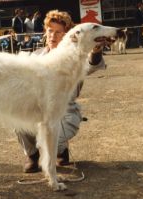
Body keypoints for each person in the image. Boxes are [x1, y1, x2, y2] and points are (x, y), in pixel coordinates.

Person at [16, 10, 106, 173]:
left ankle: (61, 149)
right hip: (36, 109)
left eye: (59, 32)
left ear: (67, 36)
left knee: (54, 136)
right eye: (50, 31)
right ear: (45, 32)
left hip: (65, 112)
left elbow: (92, 64)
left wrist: (96, 51)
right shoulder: (35, 56)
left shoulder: (76, 57)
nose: (53, 35)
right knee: (17, 118)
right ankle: (32, 155)